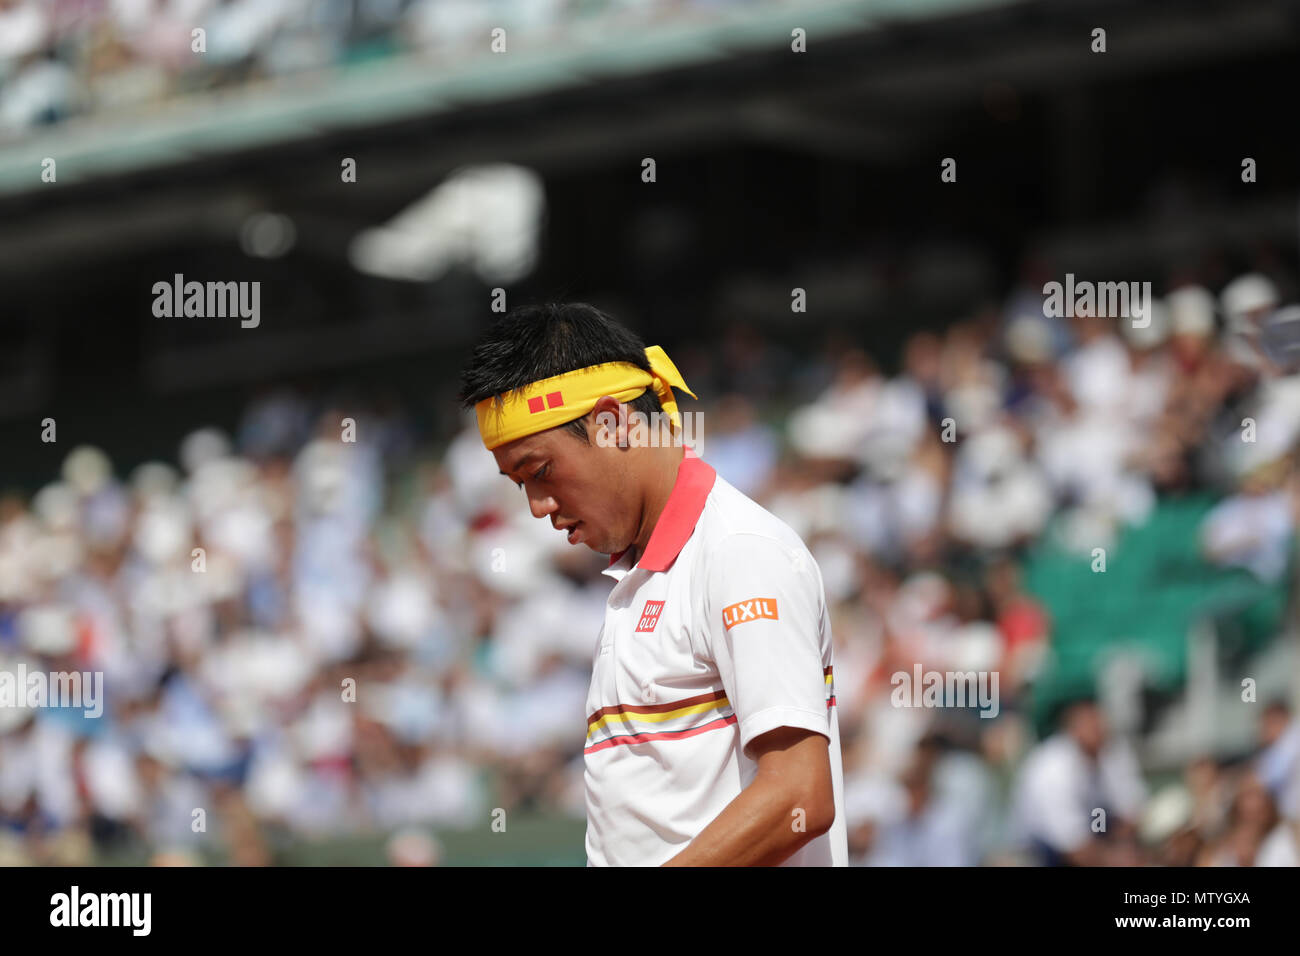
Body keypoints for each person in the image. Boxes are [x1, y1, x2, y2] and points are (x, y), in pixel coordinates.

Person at [458, 303, 847, 866]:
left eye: (540, 471)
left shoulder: (739, 552)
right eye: (518, 484)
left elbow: (801, 796)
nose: (538, 507)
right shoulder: (637, 577)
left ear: (613, 422)